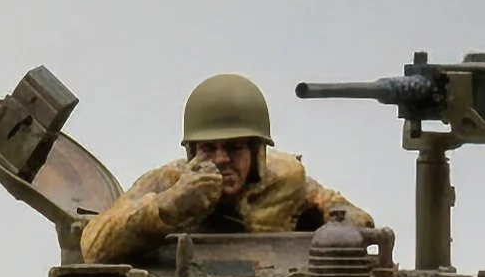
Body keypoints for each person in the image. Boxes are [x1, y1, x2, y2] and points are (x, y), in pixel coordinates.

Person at [79, 74, 369, 266]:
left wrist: (345, 220)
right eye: (209, 149)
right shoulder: (168, 182)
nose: (221, 159)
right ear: (192, 153)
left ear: (257, 152)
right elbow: (94, 245)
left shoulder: (286, 180)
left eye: (234, 148)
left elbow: (347, 214)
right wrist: (169, 206)